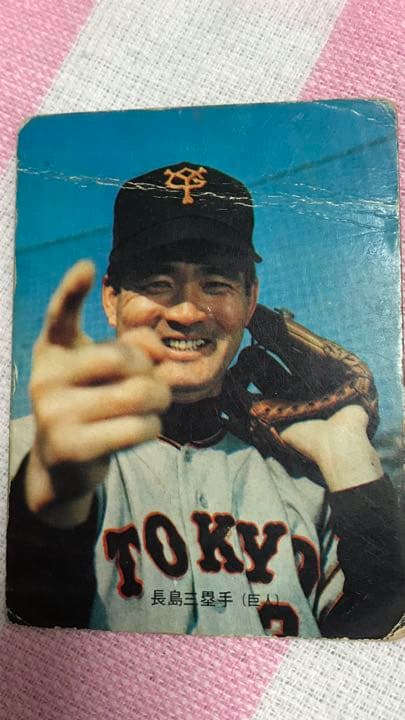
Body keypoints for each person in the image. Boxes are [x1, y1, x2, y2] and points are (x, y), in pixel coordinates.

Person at [7, 162, 404, 638]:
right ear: (111, 299)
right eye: (157, 284)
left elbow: (382, 644)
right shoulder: (25, 453)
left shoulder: (311, 486)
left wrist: (348, 454)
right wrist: (49, 509)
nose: (188, 312)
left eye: (216, 284)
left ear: (251, 300)